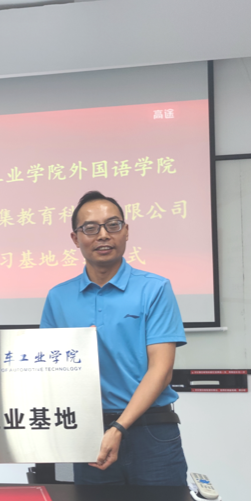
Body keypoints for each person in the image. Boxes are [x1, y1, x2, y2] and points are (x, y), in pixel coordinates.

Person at [40, 190, 188, 486]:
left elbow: (161, 370)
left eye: (113, 225)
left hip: (152, 431)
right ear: (75, 238)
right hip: (91, 432)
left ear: (126, 231)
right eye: (91, 228)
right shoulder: (58, 297)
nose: (103, 235)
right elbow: (49, 371)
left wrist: (119, 427)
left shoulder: (155, 289)